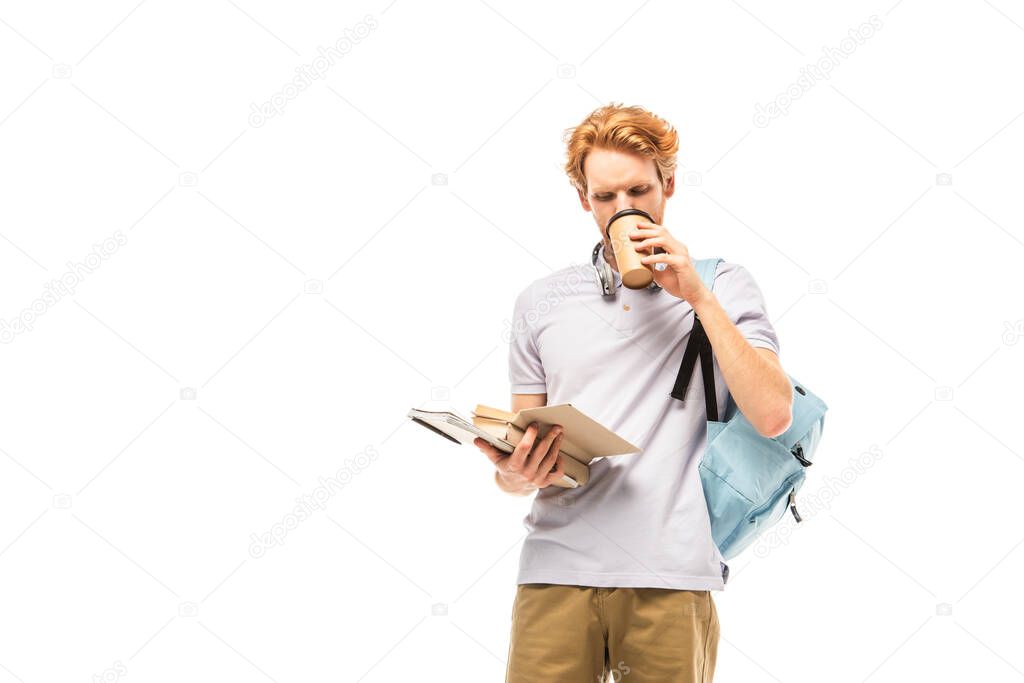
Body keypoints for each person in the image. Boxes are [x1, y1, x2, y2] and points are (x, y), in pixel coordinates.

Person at [473, 103, 793, 683]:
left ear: (669, 184)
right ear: (583, 198)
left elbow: (773, 414)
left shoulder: (723, 284)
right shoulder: (541, 303)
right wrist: (517, 470)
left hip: (671, 575)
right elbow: (517, 465)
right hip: (555, 569)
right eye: (605, 197)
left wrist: (696, 296)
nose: (623, 210)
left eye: (639, 191)